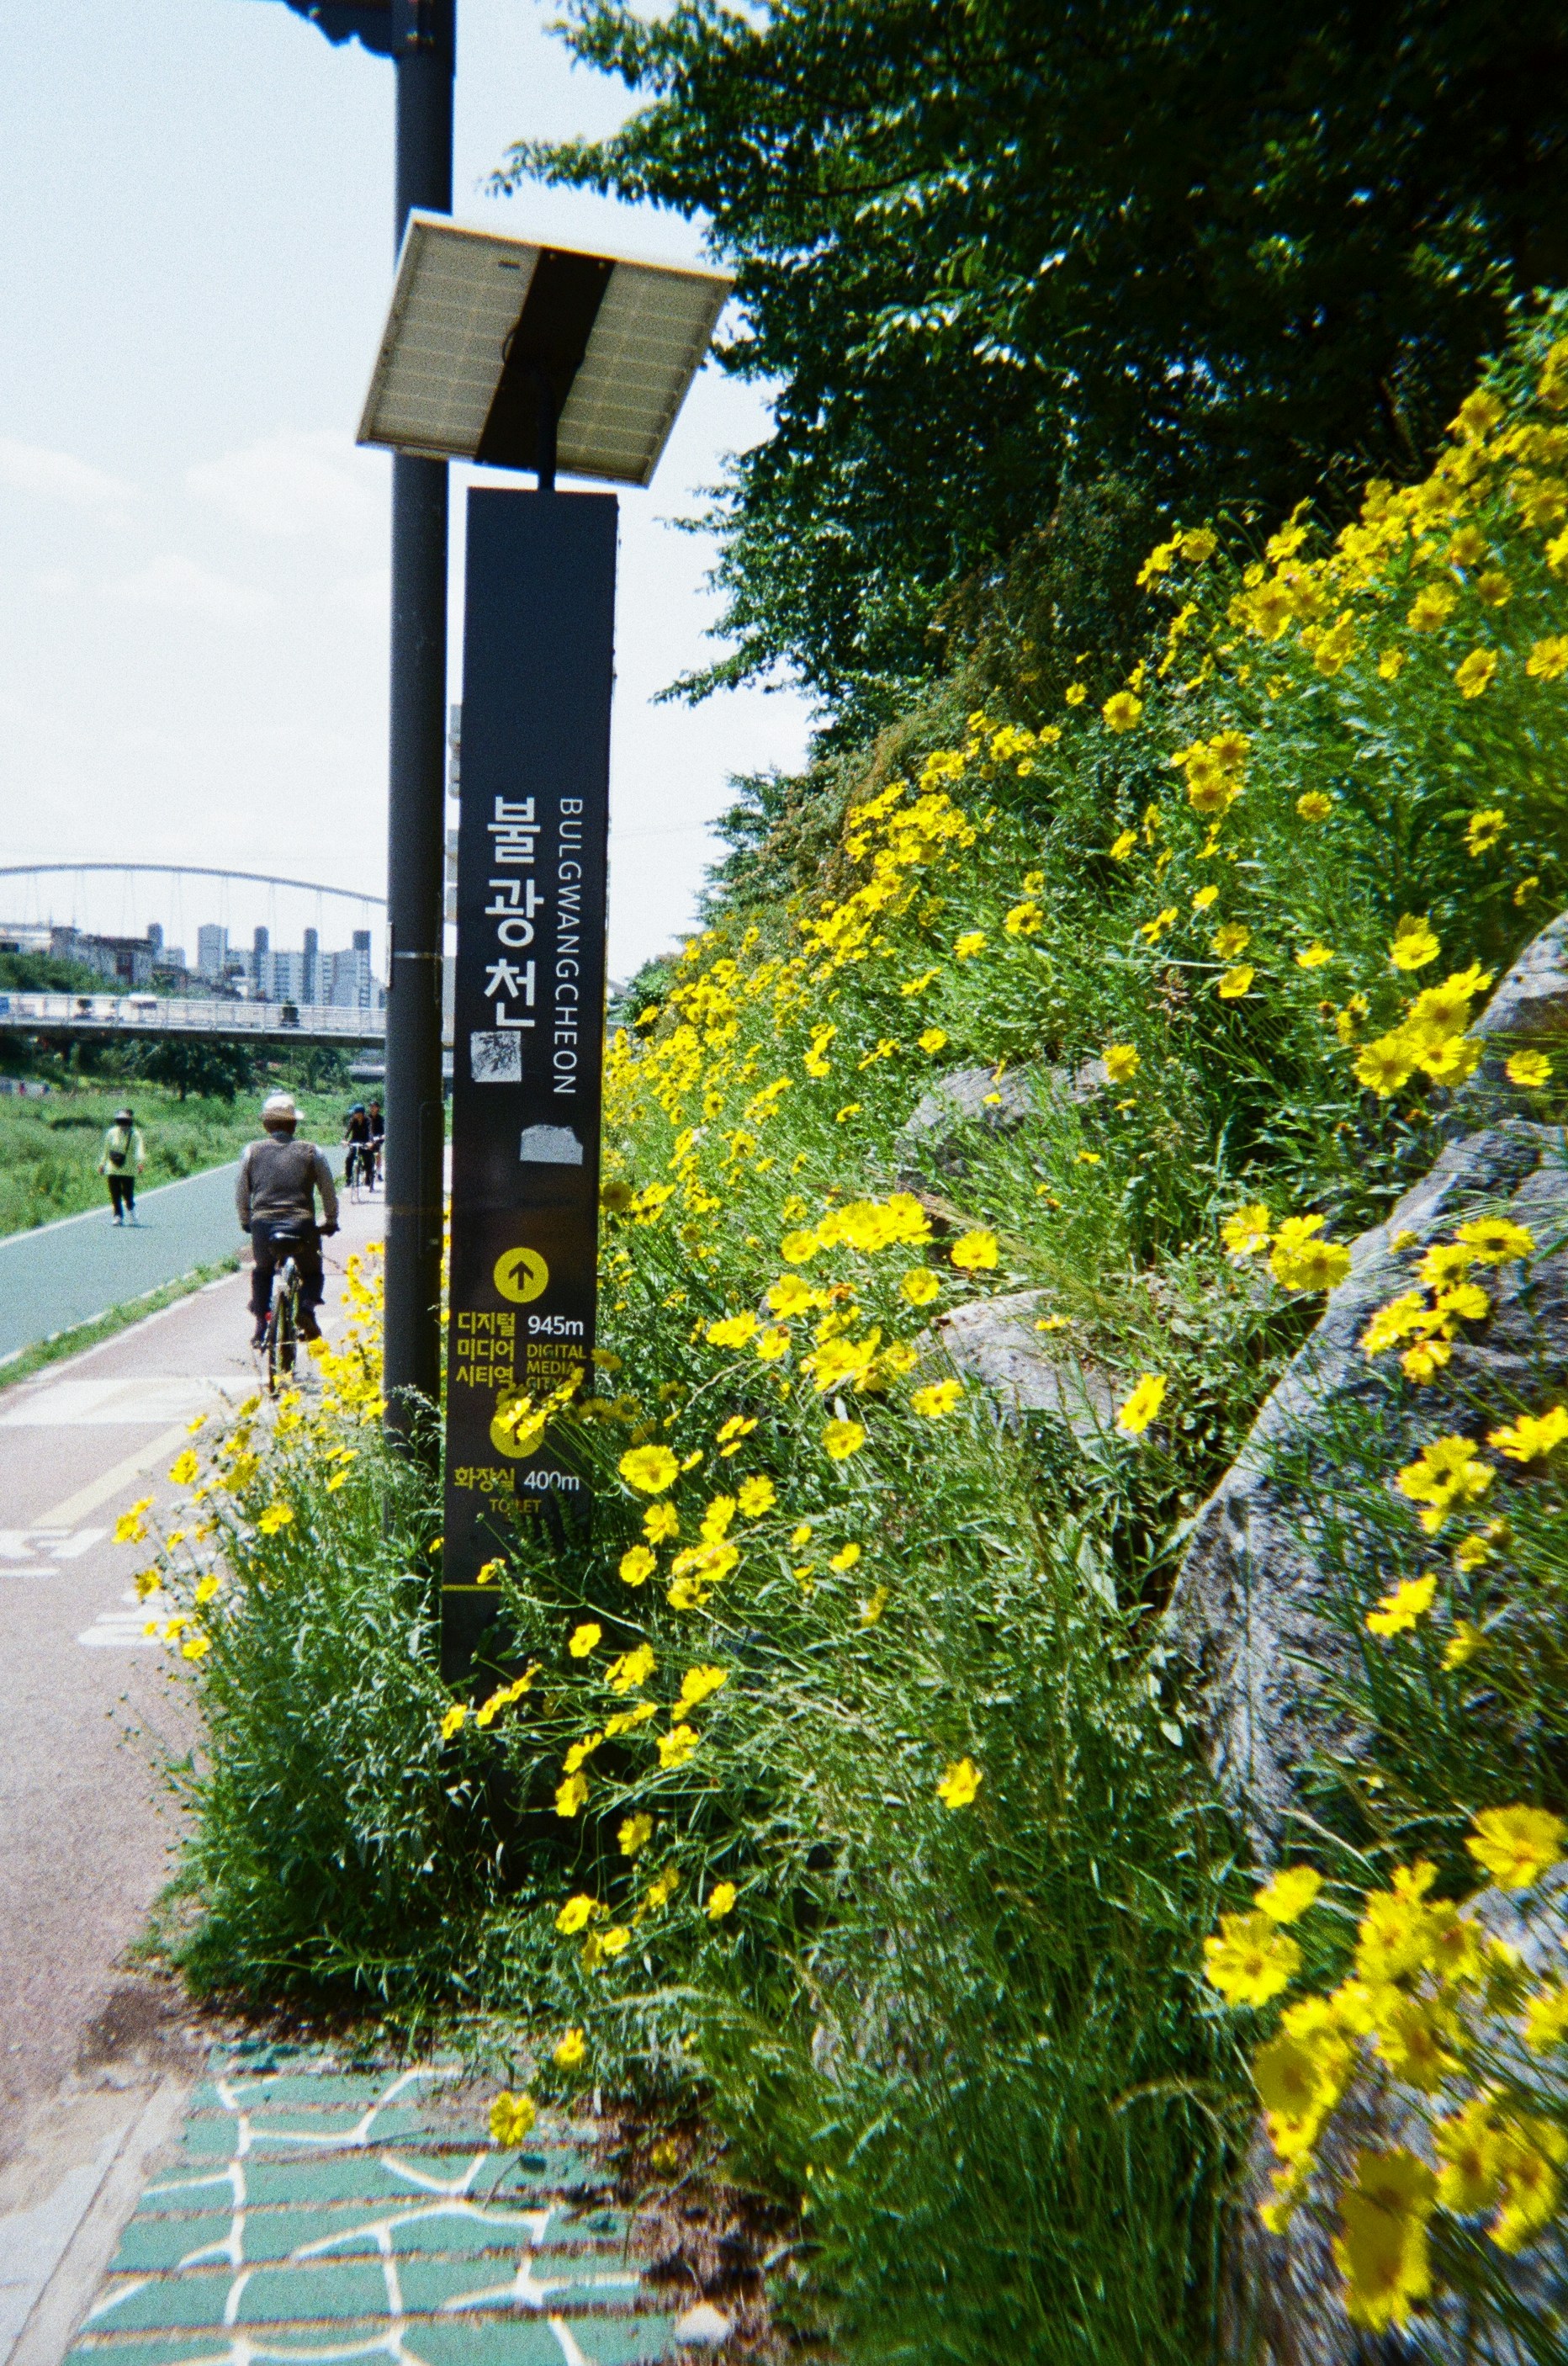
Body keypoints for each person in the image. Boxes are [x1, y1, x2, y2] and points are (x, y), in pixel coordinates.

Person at [236, 1092, 338, 1348]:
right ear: (294, 1124)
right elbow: (328, 1189)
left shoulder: (252, 1151)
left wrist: (246, 1220)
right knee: (312, 1273)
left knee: (262, 1272)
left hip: (263, 1225)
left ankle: (261, 1324)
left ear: (266, 1125)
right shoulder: (312, 1151)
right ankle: (307, 1307)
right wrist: (331, 1220)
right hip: (301, 1225)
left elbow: (242, 1192)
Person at [98, 1106, 145, 1224]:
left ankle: (132, 1213)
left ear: (130, 1121)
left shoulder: (135, 1134)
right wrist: (102, 1164)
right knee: (115, 1194)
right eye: (120, 1121)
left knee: (128, 1195)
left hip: (128, 1169)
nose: (122, 1124)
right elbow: (106, 1150)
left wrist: (140, 1162)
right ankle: (118, 1216)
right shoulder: (111, 1133)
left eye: (125, 1121)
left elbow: (139, 1149)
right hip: (113, 1168)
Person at [342, 1102, 369, 1191]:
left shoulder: (368, 1121)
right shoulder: (352, 1120)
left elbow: (371, 1133)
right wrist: (344, 1140)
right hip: (354, 1141)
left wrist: (371, 1142)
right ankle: (349, 1179)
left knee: (367, 1158)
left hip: (365, 1141)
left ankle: (368, 1176)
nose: (354, 1115)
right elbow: (348, 1131)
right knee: (349, 1159)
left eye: (355, 1113)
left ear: (360, 1113)